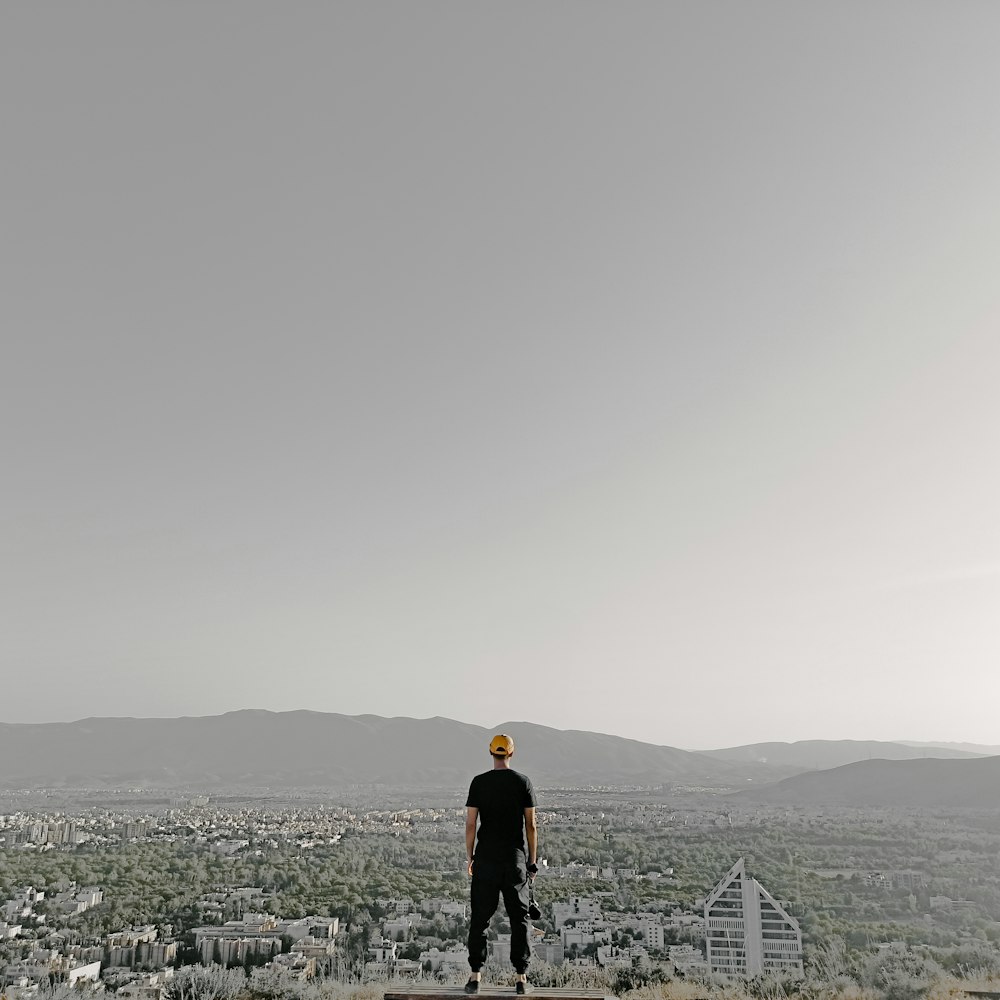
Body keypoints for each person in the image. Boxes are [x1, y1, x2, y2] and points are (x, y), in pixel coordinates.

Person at [464, 732, 538, 994]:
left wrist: (470, 857)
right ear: (511, 753)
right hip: (514, 859)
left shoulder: (479, 783)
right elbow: (530, 825)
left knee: (480, 919)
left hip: (486, 858)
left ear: (490, 752)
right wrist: (532, 862)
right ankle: (520, 979)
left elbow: (471, 823)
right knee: (520, 918)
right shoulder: (523, 782)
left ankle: (475, 977)